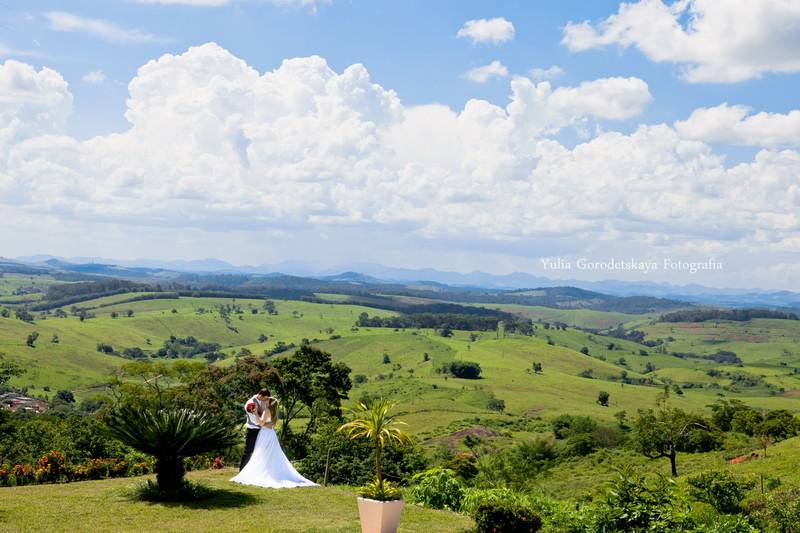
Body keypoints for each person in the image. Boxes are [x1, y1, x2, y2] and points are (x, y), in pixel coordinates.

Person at [231, 388, 317, 488]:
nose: (264, 401)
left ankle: (259, 472)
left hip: (263, 432)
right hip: (258, 430)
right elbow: (268, 422)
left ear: (269, 401)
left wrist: (258, 416)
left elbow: (262, 422)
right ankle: (245, 471)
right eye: (265, 399)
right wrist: (266, 422)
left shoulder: (267, 409)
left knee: (262, 453)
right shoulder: (253, 403)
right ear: (261, 395)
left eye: (267, 400)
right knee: (251, 451)